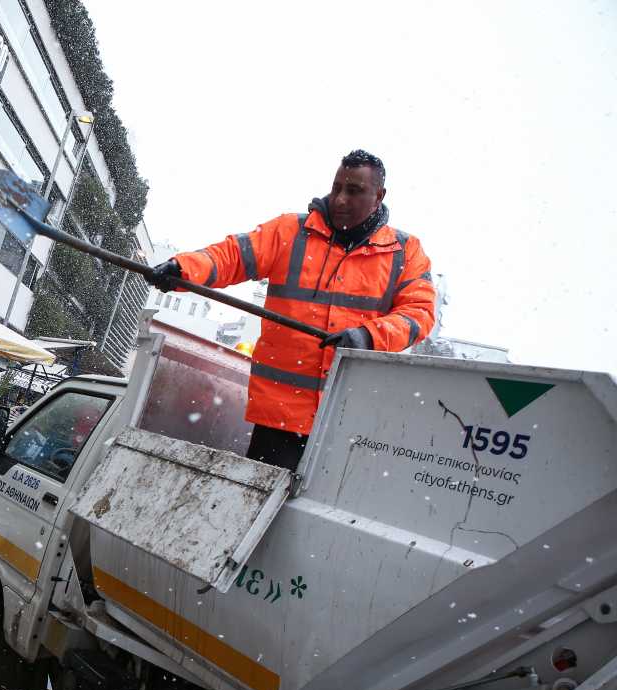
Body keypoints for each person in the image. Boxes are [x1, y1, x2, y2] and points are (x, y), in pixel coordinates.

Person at [145, 150, 437, 471]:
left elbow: (419, 313)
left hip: (349, 422)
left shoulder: (405, 253)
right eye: (337, 187)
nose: (340, 199)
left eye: (354, 191)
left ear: (378, 196)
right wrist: (183, 269)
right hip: (280, 419)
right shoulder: (290, 233)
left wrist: (368, 337)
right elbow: (232, 256)